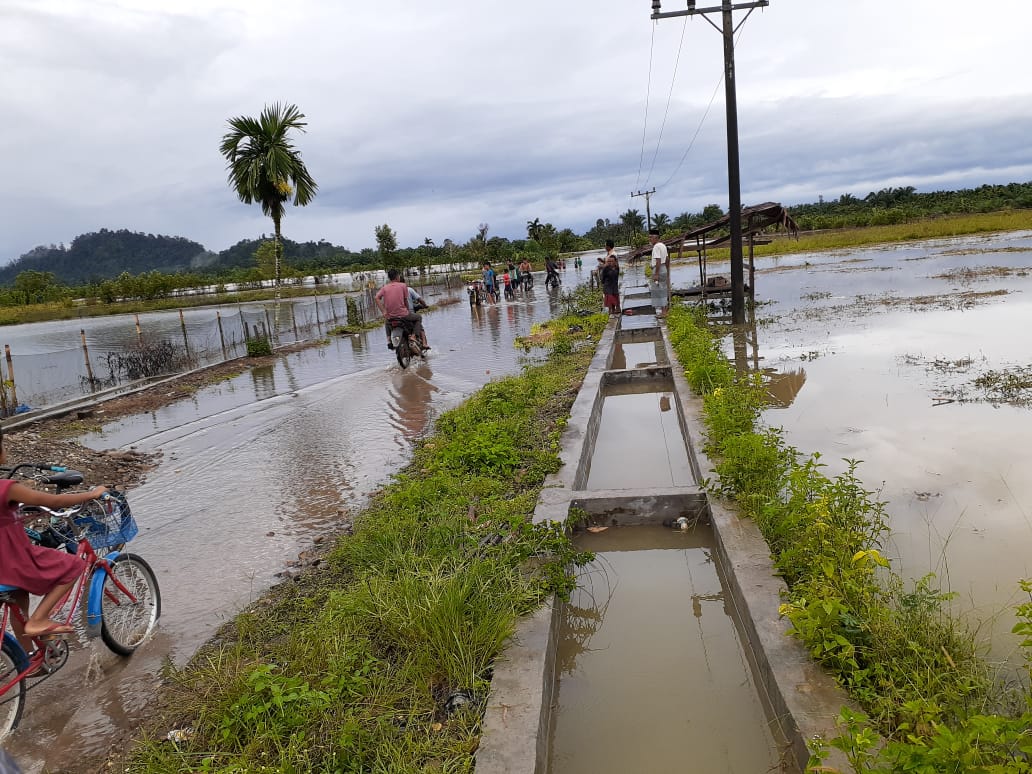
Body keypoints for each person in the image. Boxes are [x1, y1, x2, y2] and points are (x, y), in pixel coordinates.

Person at [0, 428, 108, 653]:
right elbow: (54, 501)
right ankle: (40, 619)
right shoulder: (7, 489)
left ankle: (29, 658)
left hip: (3, 569)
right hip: (14, 560)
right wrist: (91, 494)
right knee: (74, 565)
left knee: (19, 606)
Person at [375, 268, 428, 351]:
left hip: (391, 316)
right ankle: (414, 336)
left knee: (387, 322)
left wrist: (384, 312)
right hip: (404, 315)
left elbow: (376, 297)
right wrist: (406, 310)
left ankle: (389, 340)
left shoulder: (384, 288)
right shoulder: (403, 286)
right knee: (419, 317)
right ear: (397, 277)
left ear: (389, 278)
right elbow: (405, 300)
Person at [648, 228, 670, 316]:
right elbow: (667, 259)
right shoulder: (663, 245)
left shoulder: (656, 247)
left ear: (655, 237)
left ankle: (663, 311)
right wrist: (667, 270)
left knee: (659, 290)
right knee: (663, 289)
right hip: (663, 268)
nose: (649, 239)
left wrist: (656, 274)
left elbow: (658, 260)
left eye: (651, 237)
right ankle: (664, 310)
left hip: (659, 269)